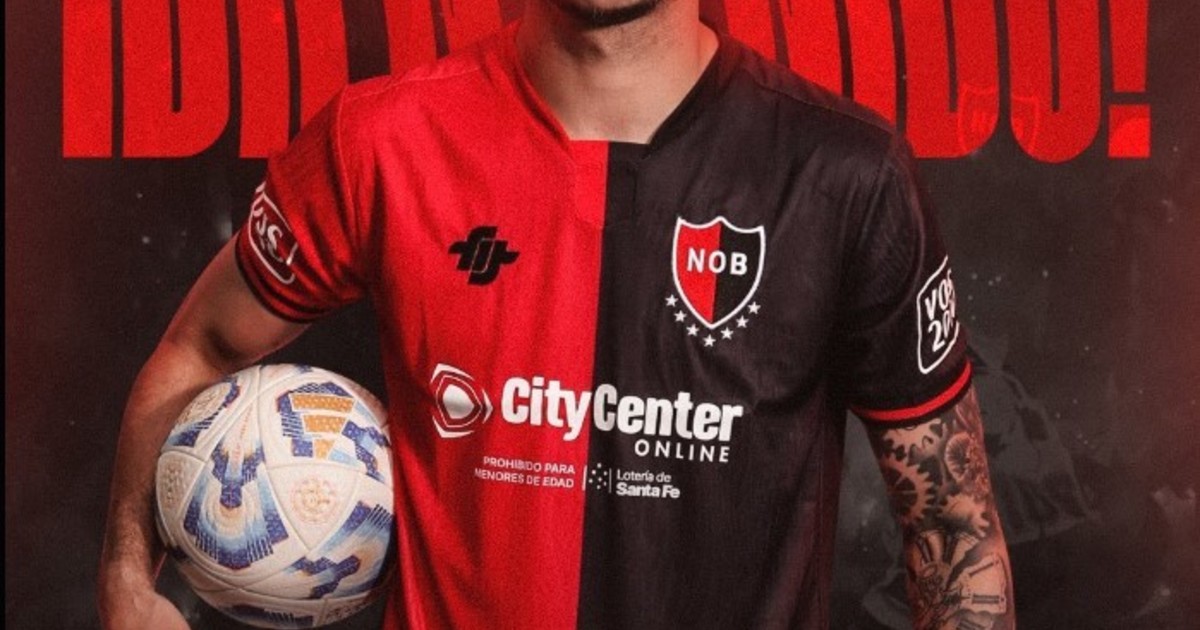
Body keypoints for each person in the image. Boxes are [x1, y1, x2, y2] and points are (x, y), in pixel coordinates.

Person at [97, 0, 1016, 628]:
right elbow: (202, 345)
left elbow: (953, 528)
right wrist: (127, 580)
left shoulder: (846, 177)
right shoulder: (381, 141)